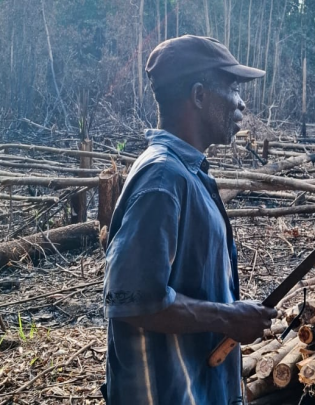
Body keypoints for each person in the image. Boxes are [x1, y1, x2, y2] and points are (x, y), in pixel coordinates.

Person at [102, 35, 277, 404]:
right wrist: (228, 318)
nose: (241, 102)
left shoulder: (185, 173)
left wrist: (229, 314)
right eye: (232, 88)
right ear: (199, 96)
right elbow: (135, 299)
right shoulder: (162, 179)